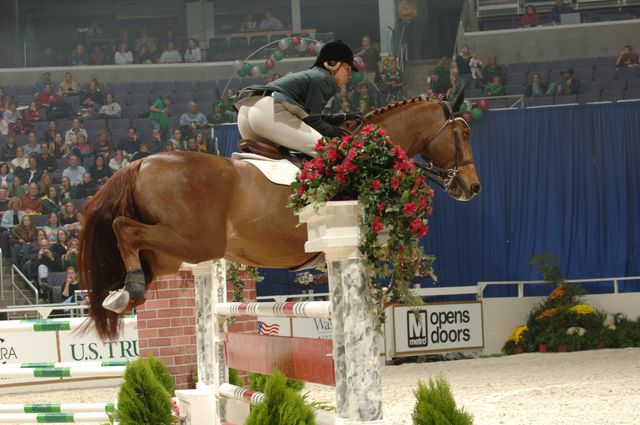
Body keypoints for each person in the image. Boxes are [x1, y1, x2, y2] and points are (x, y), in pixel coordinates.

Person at [235, 41, 360, 157]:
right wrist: (338, 133)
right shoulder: (325, 79)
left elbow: (309, 117)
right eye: (348, 69)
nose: (350, 75)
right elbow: (313, 121)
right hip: (268, 111)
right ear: (332, 64)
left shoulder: (314, 75)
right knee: (328, 152)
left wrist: (342, 117)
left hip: (246, 113)